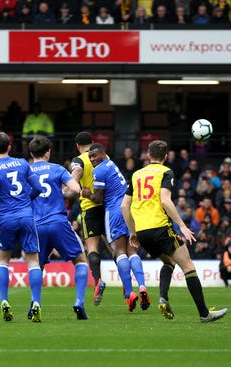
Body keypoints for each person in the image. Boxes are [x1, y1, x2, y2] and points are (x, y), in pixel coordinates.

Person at [121, 140, 228, 322]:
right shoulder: (166, 172)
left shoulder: (136, 174)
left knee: (169, 262)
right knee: (188, 267)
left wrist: (132, 232)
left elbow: (124, 206)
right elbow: (165, 200)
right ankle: (204, 314)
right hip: (160, 227)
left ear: (148, 155)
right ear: (165, 156)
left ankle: (163, 298)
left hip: (142, 232)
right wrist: (182, 225)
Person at [82, 143, 149, 312]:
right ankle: (142, 286)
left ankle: (130, 293)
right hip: (129, 208)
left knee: (120, 252)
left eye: (94, 156)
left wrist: (86, 193)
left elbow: (97, 199)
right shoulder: (112, 164)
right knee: (132, 251)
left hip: (114, 212)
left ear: (104, 154)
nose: (92, 160)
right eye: (90, 157)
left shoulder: (99, 171)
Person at [0, 131, 44, 322]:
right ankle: (36, 302)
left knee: (3, 262)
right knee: (33, 262)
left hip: (6, 219)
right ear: (9, 146)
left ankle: (4, 301)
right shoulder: (23, 163)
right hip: (27, 216)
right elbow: (38, 188)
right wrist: (26, 202)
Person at [29, 137, 89, 320]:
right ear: (48, 152)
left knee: (36, 265)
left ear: (31, 154)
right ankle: (79, 301)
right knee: (80, 261)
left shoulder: (26, 171)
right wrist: (61, 192)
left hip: (35, 224)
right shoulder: (58, 169)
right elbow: (76, 189)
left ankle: (35, 302)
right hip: (58, 221)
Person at [70, 131, 107, 306]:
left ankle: (98, 280)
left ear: (77, 146)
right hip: (108, 207)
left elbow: (73, 182)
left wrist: (70, 189)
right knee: (118, 249)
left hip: (89, 208)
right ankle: (129, 290)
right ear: (92, 142)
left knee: (92, 248)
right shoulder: (103, 157)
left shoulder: (78, 160)